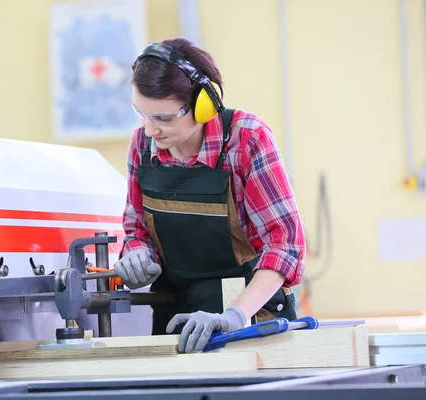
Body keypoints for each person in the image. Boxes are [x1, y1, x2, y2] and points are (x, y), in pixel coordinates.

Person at [113, 37, 306, 354]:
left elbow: (285, 247)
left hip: (247, 312)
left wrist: (234, 315)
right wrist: (137, 255)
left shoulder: (245, 140)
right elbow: (139, 230)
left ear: (204, 104)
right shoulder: (143, 146)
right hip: (175, 314)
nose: (150, 130)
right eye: (141, 114)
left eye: (164, 118)